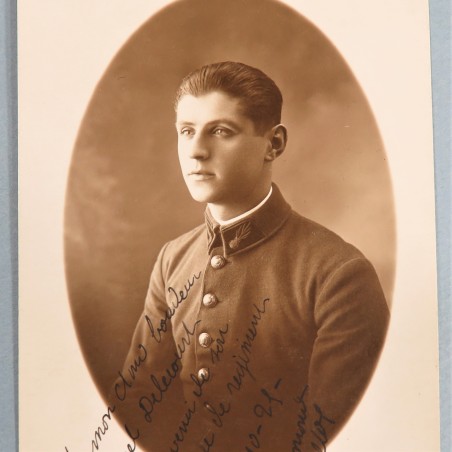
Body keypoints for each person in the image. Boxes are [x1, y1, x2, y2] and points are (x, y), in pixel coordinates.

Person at [109, 61, 389, 451]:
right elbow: (136, 406)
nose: (196, 151)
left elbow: (335, 436)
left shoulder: (338, 273)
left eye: (220, 131)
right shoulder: (173, 259)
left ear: (273, 144)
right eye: (186, 132)